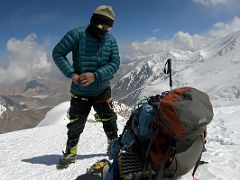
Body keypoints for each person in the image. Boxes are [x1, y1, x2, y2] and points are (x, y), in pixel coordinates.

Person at [52, 5, 120, 168]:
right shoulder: (77, 34)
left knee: (109, 119)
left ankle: (113, 144)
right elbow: (58, 53)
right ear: (93, 21)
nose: (104, 30)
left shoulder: (110, 40)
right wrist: (73, 75)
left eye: (108, 27)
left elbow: (115, 63)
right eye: (101, 25)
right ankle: (71, 152)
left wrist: (95, 75)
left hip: (102, 89)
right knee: (76, 123)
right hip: (80, 91)